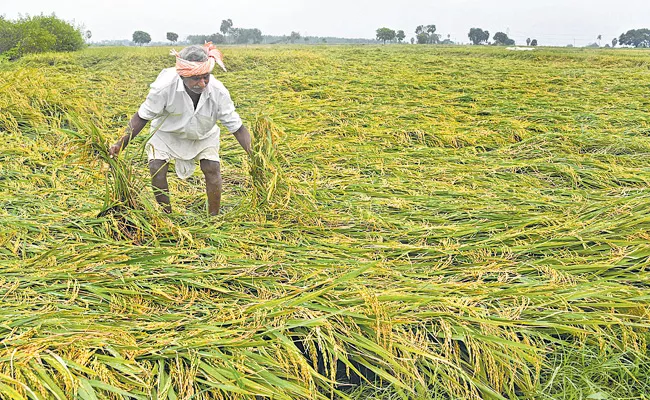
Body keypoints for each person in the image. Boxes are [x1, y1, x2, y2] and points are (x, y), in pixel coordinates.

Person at [108, 43, 252, 216]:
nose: (202, 83)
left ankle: (214, 218)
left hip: (203, 134)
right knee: (156, 167)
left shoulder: (218, 92)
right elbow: (142, 117)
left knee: (212, 168)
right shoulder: (164, 88)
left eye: (206, 77)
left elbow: (237, 127)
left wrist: (256, 154)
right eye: (196, 78)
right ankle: (167, 216)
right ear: (182, 76)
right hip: (167, 133)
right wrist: (120, 144)